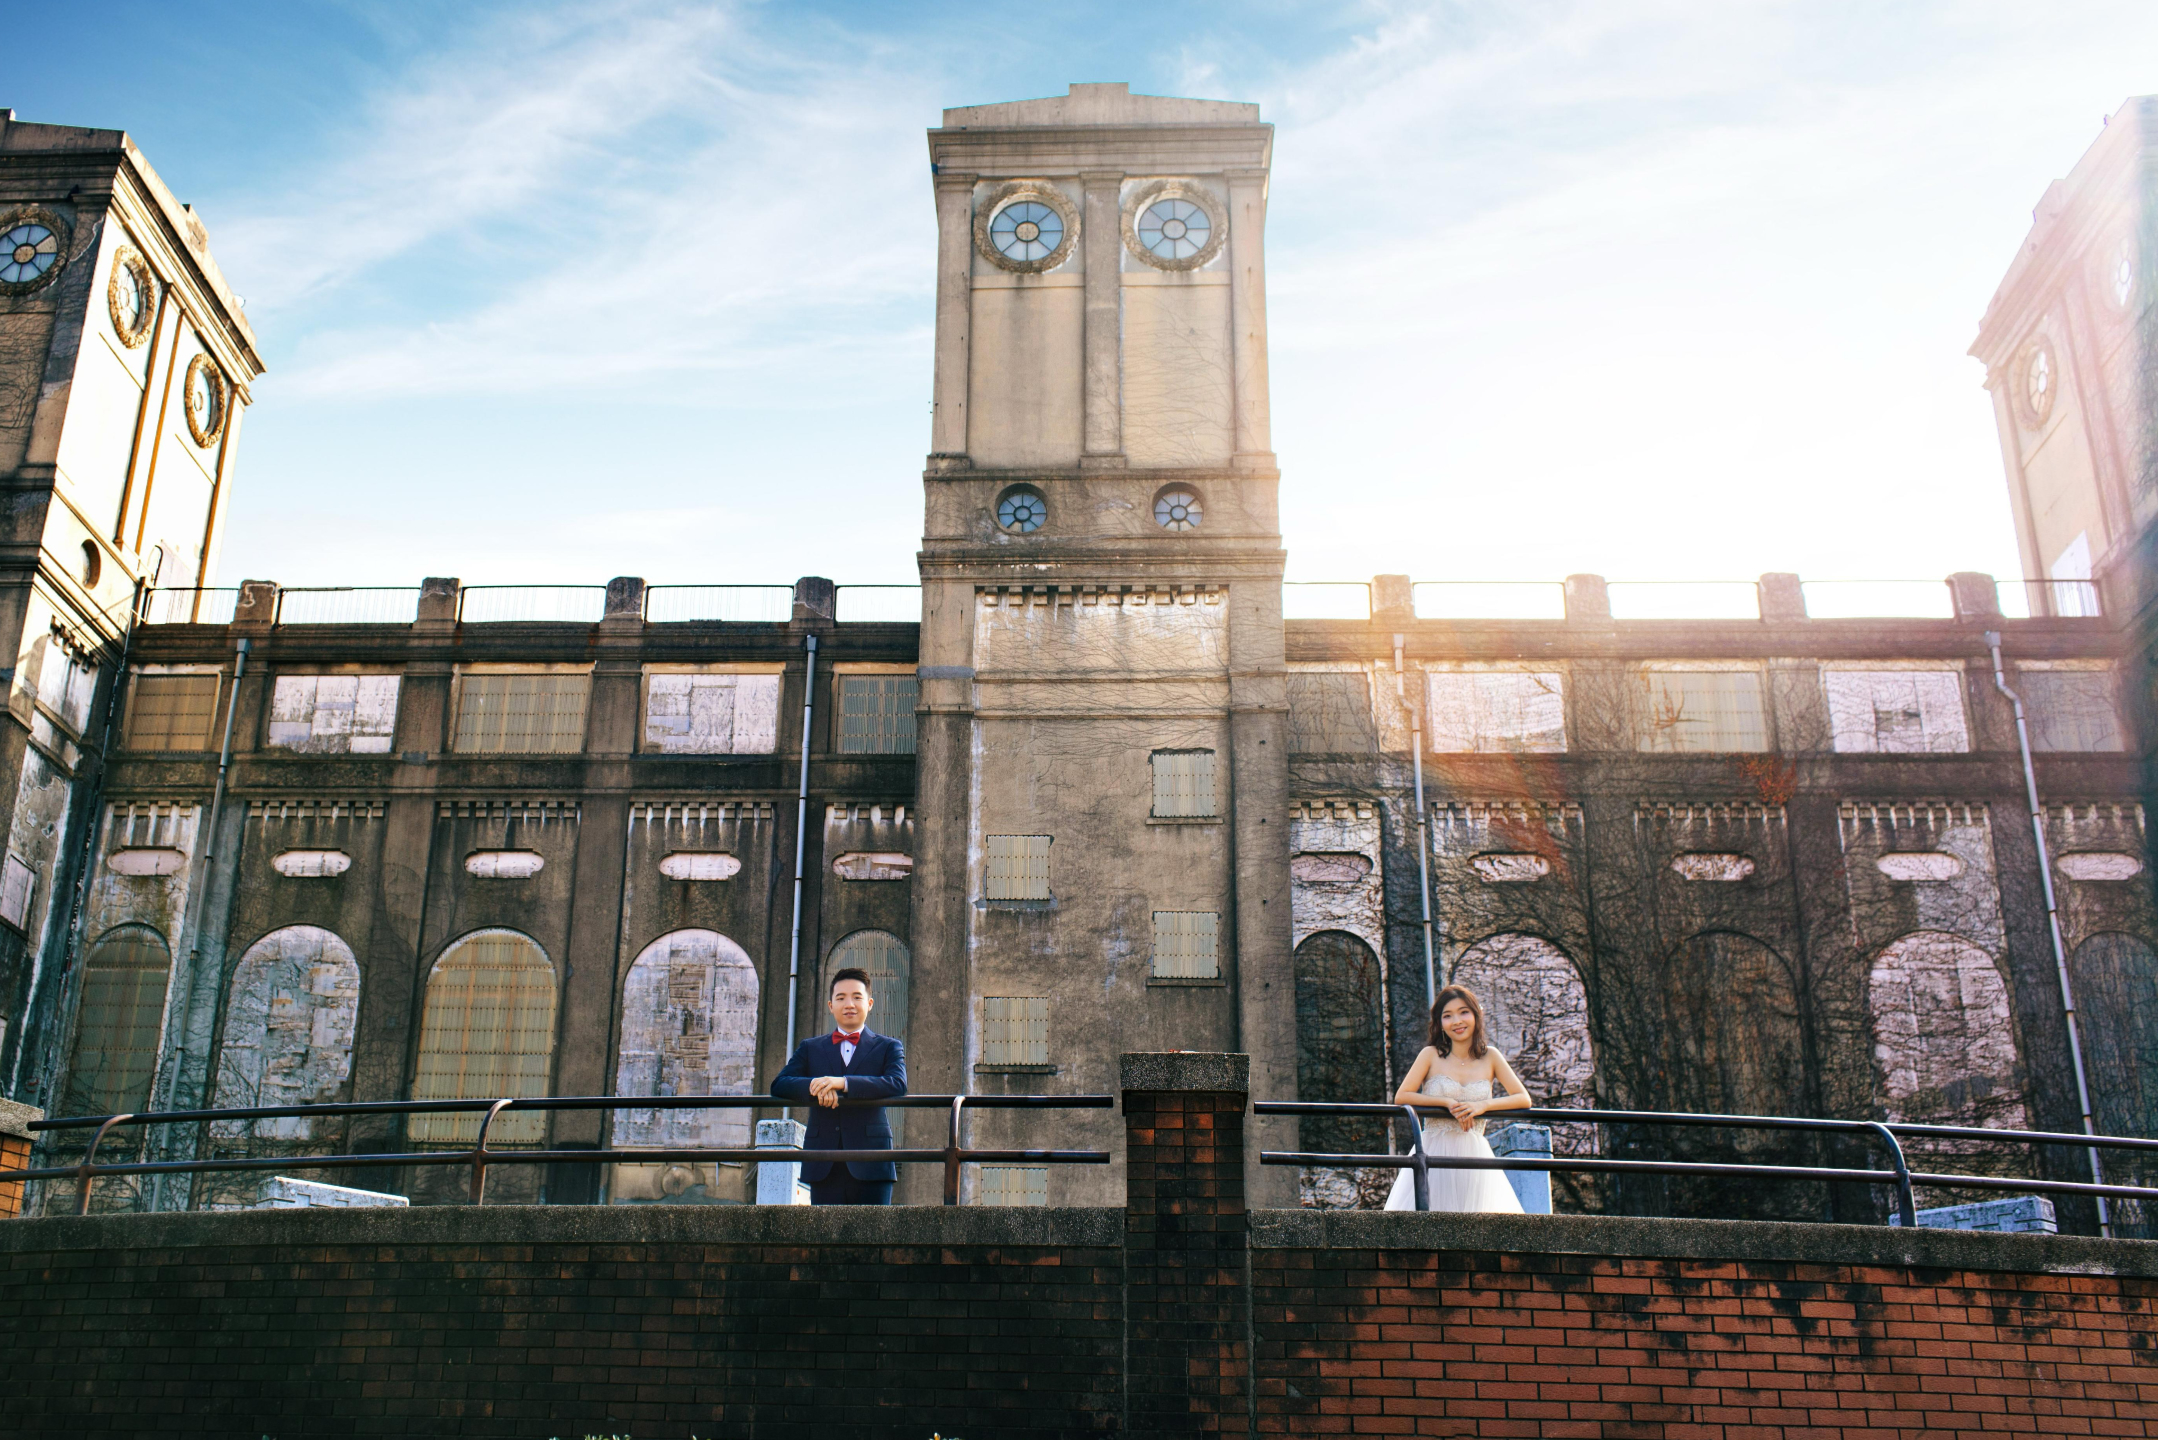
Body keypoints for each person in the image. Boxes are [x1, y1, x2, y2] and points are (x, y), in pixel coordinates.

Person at [1384, 984, 1534, 1213]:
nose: (1457, 1021)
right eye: (1447, 1016)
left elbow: (1523, 1098)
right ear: (1440, 1023)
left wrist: (1482, 1105)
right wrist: (1446, 1103)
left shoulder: (1491, 1056)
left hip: (1475, 1153)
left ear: (1475, 1015)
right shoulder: (1430, 1055)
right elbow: (1402, 1096)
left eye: (1463, 1012)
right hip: (1433, 1152)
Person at [770, 968, 909, 1205]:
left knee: (872, 1237)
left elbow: (897, 1083)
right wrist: (818, 1086)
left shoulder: (888, 1046)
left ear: (870, 1003)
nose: (849, 1004)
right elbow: (780, 1085)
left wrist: (843, 1083)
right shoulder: (810, 1047)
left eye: (857, 997)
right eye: (841, 997)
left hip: (872, 1161)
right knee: (826, 1239)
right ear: (830, 1005)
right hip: (823, 1160)